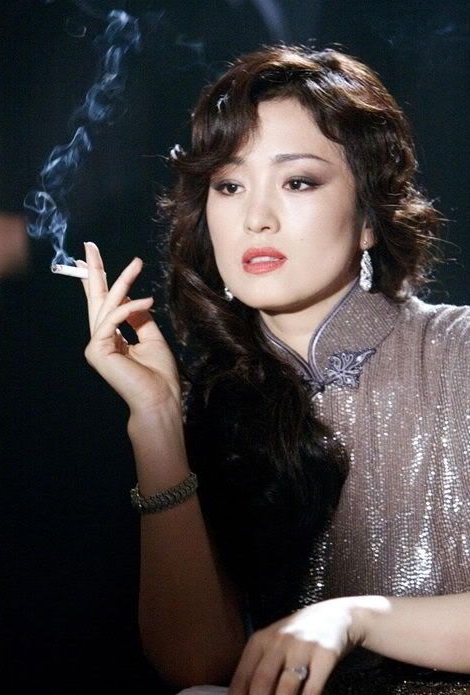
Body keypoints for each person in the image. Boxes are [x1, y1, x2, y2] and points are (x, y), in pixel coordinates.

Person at [77, 45, 470, 694]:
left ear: (369, 217)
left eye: (298, 182)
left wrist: (356, 618)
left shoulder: (458, 352)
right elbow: (198, 667)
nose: (255, 218)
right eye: (229, 186)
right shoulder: (218, 404)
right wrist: (156, 422)